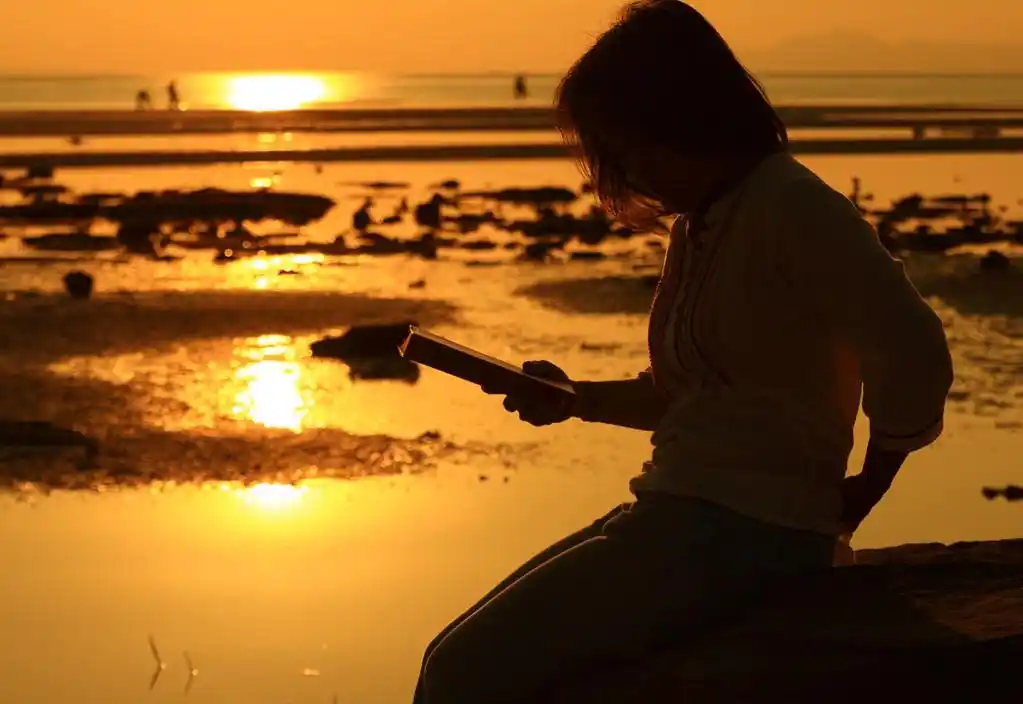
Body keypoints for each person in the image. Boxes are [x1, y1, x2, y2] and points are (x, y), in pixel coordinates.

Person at [413, 2, 954, 703]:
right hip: (679, 511)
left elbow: (910, 346)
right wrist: (579, 398)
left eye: (624, 147)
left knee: (464, 671)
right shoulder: (703, 223)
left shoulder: (791, 206)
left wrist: (865, 489)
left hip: (746, 531)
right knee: (452, 658)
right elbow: (693, 393)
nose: (622, 171)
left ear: (678, 118)